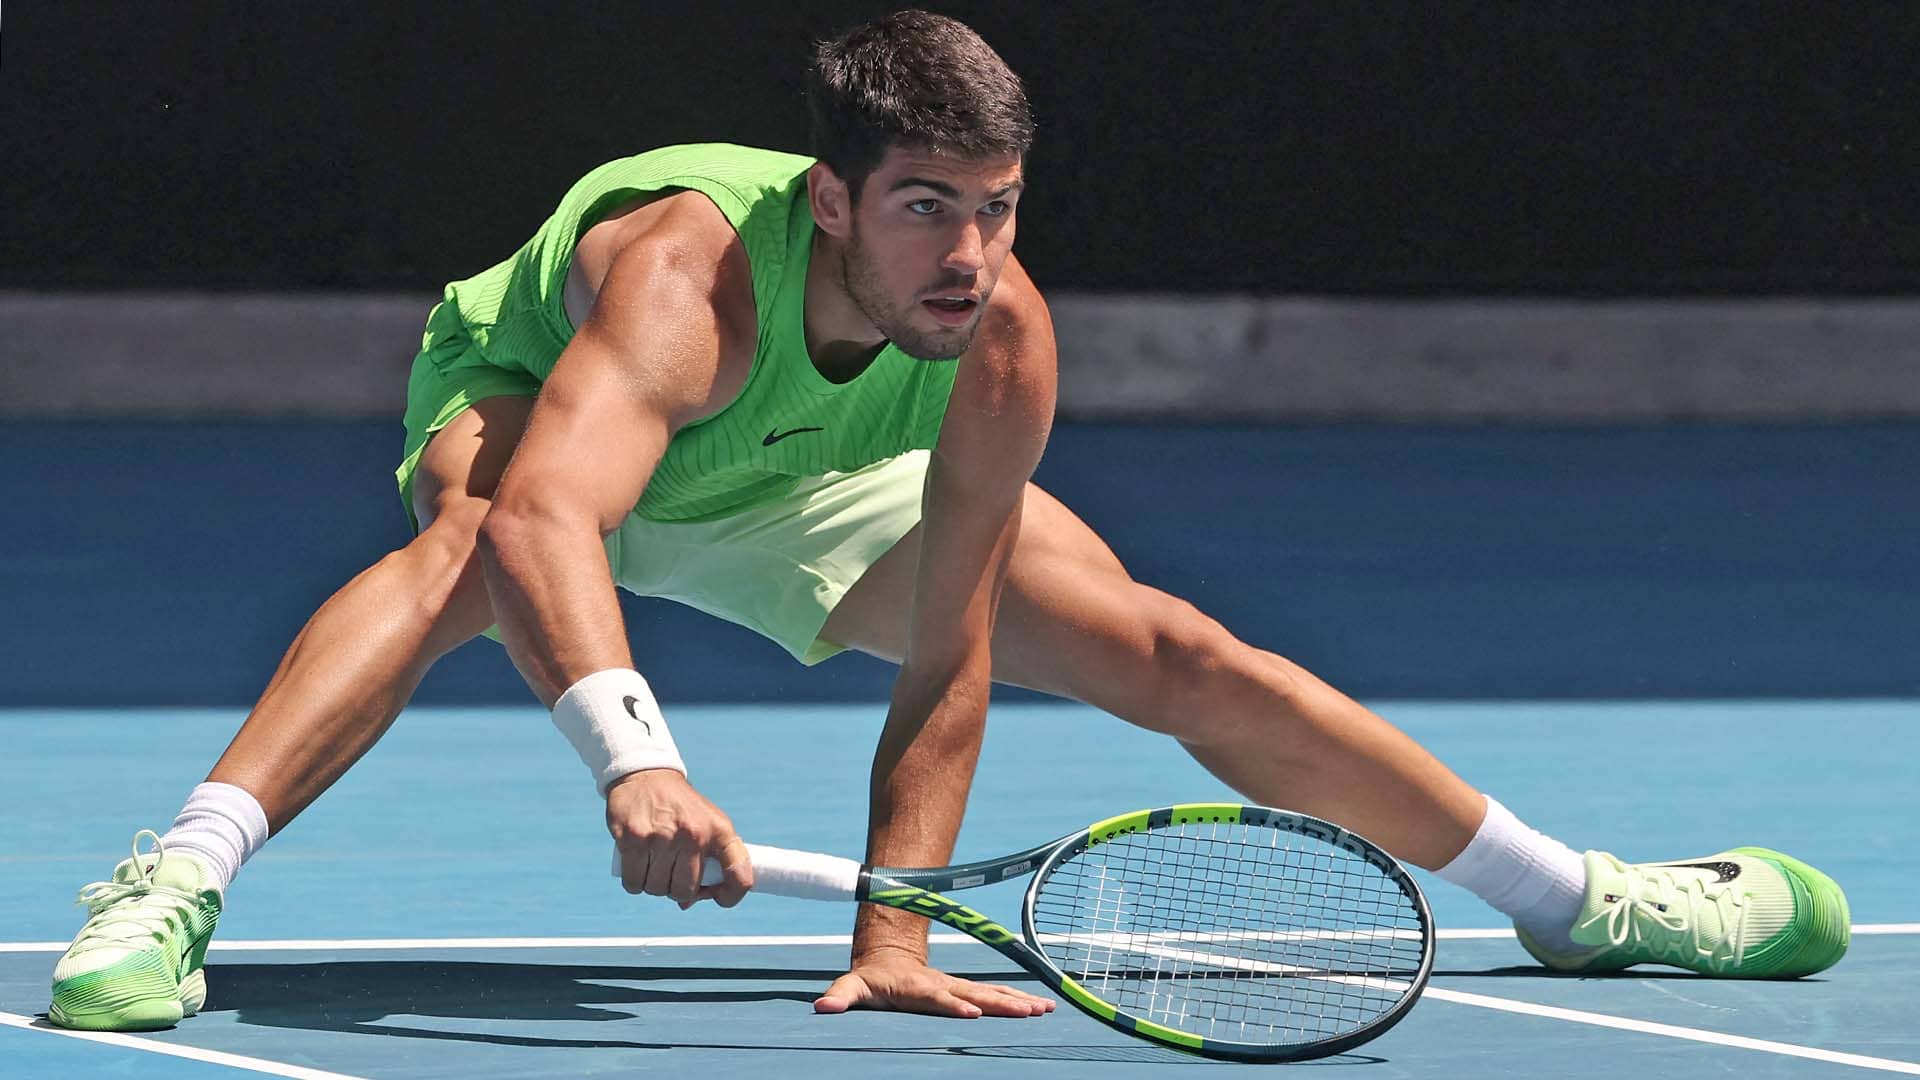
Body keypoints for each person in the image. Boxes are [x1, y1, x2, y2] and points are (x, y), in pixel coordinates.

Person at [49, 9, 1848, 1033]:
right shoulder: (685, 279)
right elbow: (546, 527)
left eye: (994, 206)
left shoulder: (1001, 339)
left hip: (813, 479)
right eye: (924, 208)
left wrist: (894, 927)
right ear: (830, 199)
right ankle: (172, 882)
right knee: (459, 549)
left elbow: (957, 640)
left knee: (1170, 647)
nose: (969, 253)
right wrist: (631, 762)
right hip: (554, 437)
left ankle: (1574, 896)